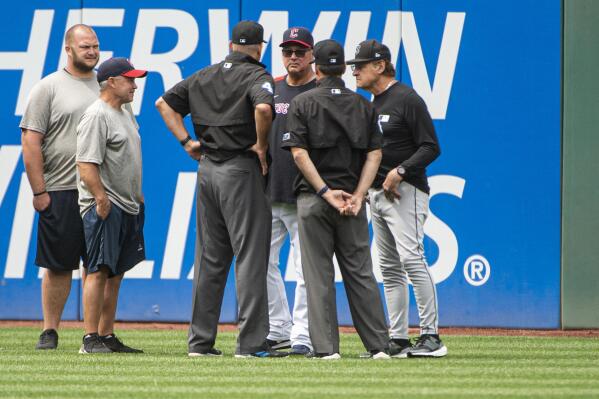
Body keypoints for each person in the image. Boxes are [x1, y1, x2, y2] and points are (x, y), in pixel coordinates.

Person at [155, 20, 287, 358]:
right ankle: (251, 344)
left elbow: (163, 104)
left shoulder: (204, 74)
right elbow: (262, 107)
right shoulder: (258, 76)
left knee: (209, 260)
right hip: (241, 170)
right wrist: (260, 144)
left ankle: (200, 343)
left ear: (231, 44)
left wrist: (186, 141)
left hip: (208, 170)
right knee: (250, 258)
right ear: (260, 47)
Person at [19, 24, 129, 351]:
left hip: (103, 193)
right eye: (85, 47)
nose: (92, 51)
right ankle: (50, 330)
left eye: (95, 46)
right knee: (58, 264)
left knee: (103, 267)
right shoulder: (48, 88)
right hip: (63, 189)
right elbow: (30, 141)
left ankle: (97, 334)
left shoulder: (108, 87)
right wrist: (40, 192)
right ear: (68, 49)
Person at [281, 39, 390, 360]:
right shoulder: (364, 105)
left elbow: (299, 154)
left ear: (316, 67)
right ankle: (379, 347)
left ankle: (327, 350)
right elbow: (375, 154)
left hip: (316, 199)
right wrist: (358, 195)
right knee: (361, 273)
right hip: (351, 203)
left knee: (317, 276)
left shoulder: (303, 102)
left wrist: (326, 193)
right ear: (343, 68)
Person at [347, 39, 446, 358]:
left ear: (380, 65)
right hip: (377, 193)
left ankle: (431, 336)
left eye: (359, 66)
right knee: (389, 267)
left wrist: (400, 171)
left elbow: (430, 146)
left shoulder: (406, 99)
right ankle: (399, 337)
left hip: (406, 191)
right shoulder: (371, 103)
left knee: (411, 258)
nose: (355, 71)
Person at [76, 57, 148, 354]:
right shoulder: (97, 115)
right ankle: (90, 337)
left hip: (128, 203)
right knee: (98, 270)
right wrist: (100, 198)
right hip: (106, 204)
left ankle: (106, 334)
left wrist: (138, 197)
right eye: (129, 79)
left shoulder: (124, 111)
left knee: (115, 272)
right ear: (111, 82)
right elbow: (86, 164)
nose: (134, 85)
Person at [265, 27, 316, 356]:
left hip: (304, 193)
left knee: (304, 268)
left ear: (312, 54)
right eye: (288, 51)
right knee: (261, 264)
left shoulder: (321, 89)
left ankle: (302, 335)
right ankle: (278, 328)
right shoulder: (271, 89)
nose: (293, 57)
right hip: (269, 191)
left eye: (299, 51)